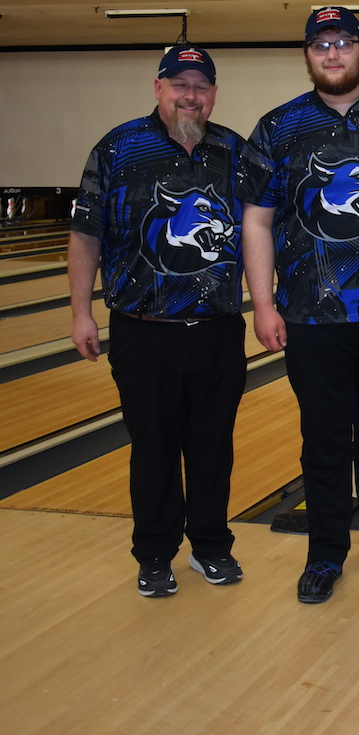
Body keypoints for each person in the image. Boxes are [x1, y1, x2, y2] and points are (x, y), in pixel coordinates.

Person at [242, 6, 359, 603]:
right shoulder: (278, 128)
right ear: (307, 54)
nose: (332, 54)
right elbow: (257, 219)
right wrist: (263, 305)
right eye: (320, 44)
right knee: (324, 436)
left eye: (343, 43)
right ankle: (325, 551)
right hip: (309, 313)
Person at [70, 45, 261, 597]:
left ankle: (210, 547)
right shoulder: (117, 148)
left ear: (213, 94)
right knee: (153, 447)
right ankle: (154, 554)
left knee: (212, 445)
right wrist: (81, 312)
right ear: (158, 88)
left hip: (218, 329)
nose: (191, 96)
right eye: (180, 84)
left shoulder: (234, 150)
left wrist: (267, 303)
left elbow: (259, 230)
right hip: (142, 329)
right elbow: (86, 235)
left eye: (202, 86)